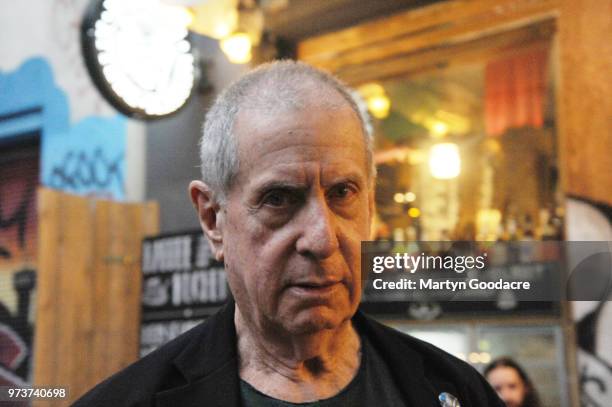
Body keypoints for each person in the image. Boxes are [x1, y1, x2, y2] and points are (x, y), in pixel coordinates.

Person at [74, 60, 503, 406]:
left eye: (342, 193)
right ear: (213, 220)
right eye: (279, 199)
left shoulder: (455, 390)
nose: (321, 238)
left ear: (370, 204)